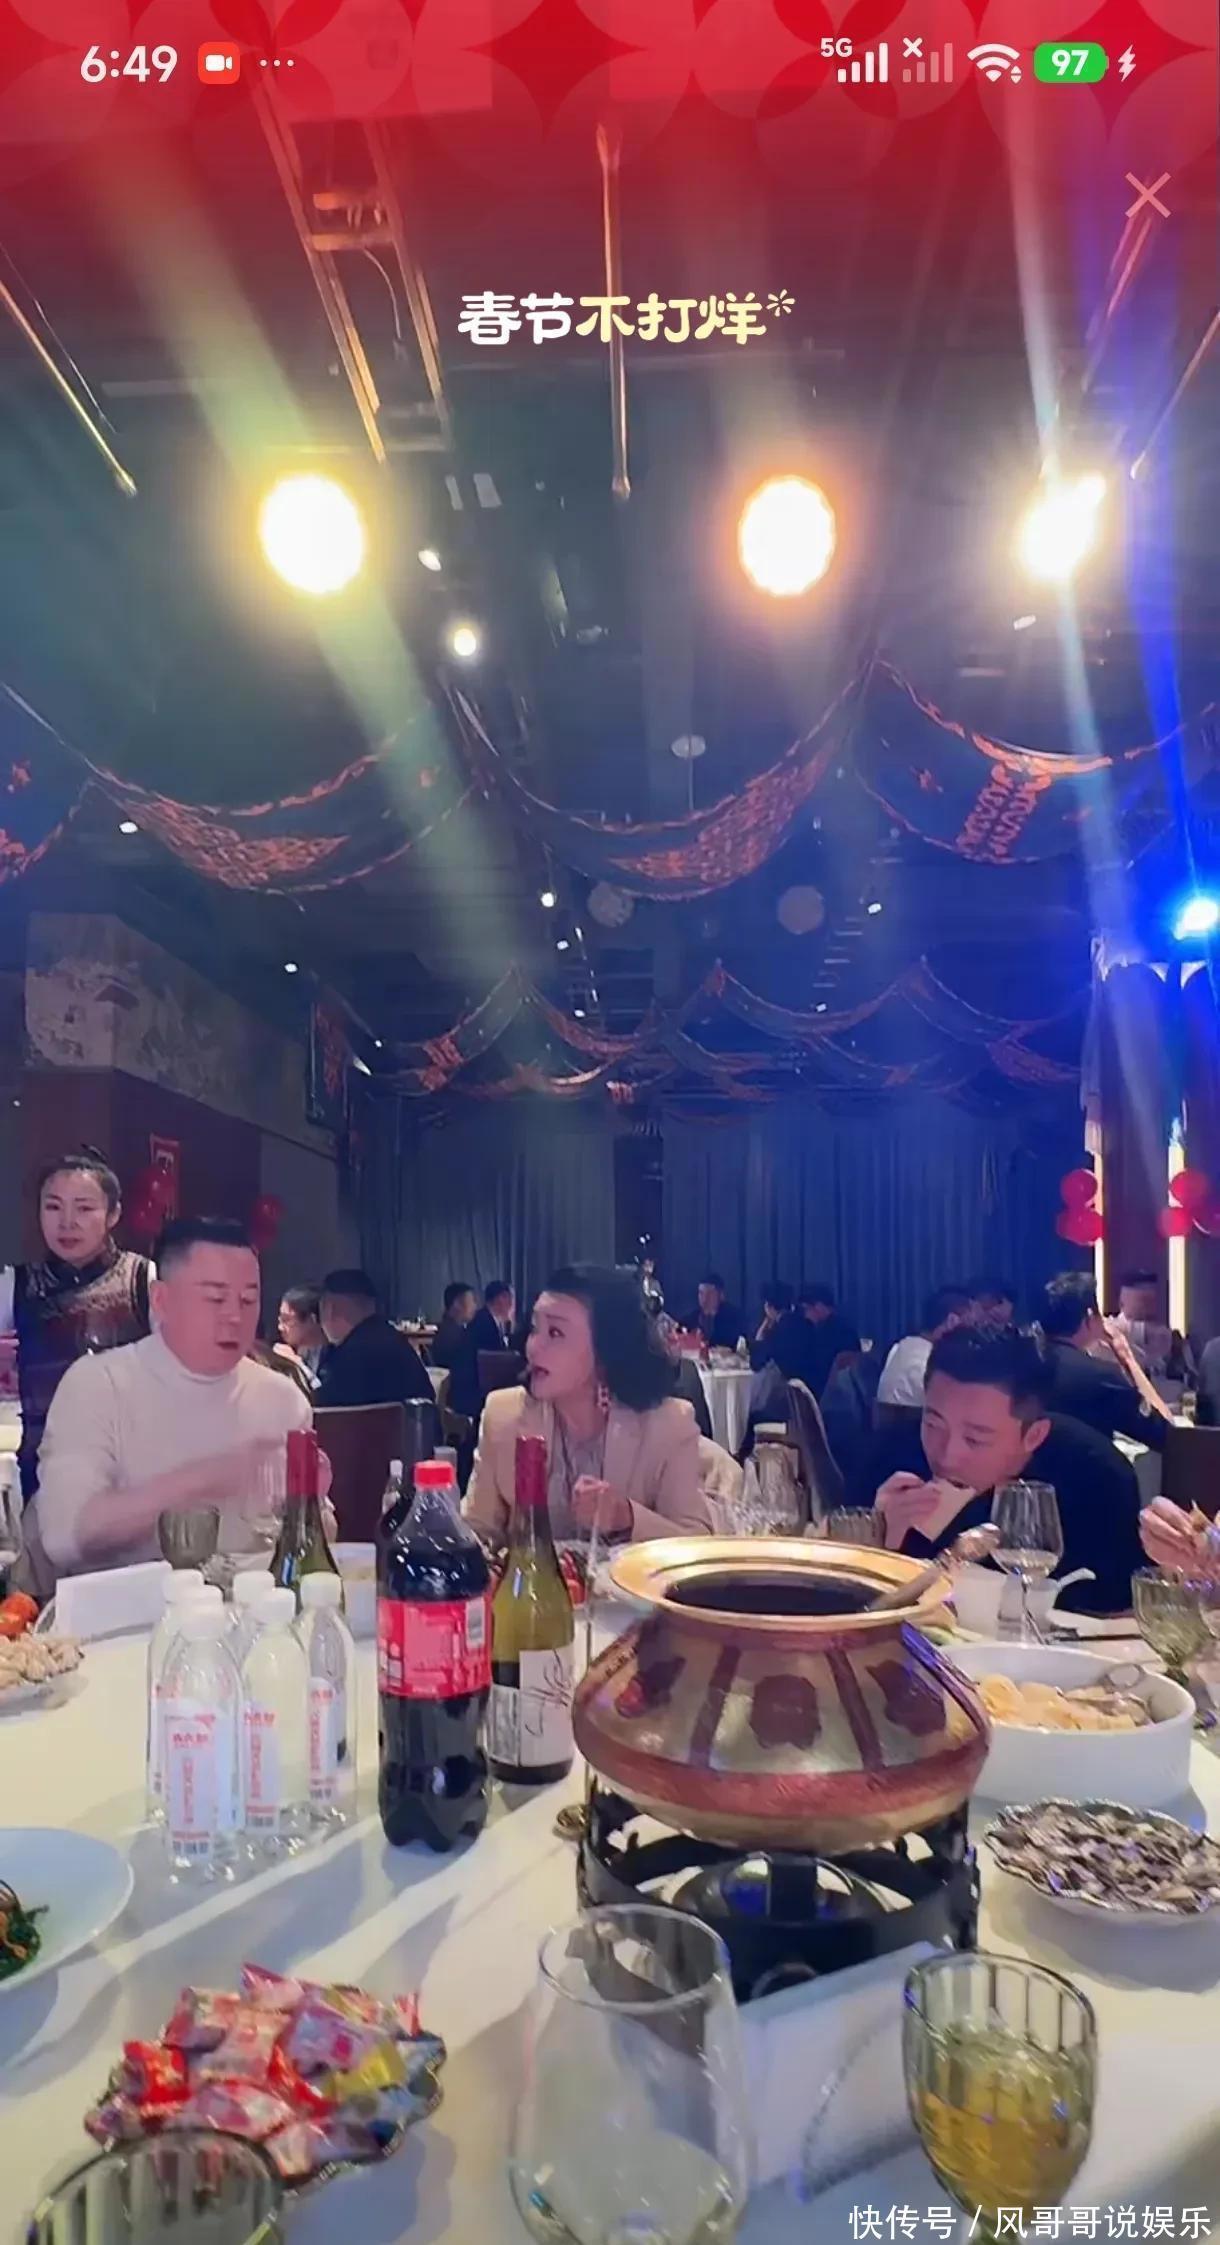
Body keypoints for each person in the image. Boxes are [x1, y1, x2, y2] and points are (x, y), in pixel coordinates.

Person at [26, 1216, 313, 1585]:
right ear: (161, 1300)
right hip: (126, 1610)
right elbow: (65, 1538)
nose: (234, 1316)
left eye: (248, 1299)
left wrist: (309, 1501)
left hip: (254, 1607)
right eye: (215, 1298)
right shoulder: (98, 1384)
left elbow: (311, 1545)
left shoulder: (283, 1399)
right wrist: (208, 1477)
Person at [852, 1323, 1144, 1615]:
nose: (948, 1456)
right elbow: (853, 1608)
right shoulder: (895, 1456)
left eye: (975, 1439)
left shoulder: (1096, 1476)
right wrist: (881, 1542)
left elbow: (1117, 1613)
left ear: (1034, 1436)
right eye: (933, 1424)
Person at [467, 1263, 716, 1544]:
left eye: (555, 1333)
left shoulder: (667, 1424)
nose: (533, 1347)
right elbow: (476, 1532)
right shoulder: (504, 1416)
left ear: (605, 1351)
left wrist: (627, 1517)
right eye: (535, 1328)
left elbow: (697, 1544)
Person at [0, 1149, 152, 1503]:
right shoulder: (16, 1285)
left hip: (133, 1477)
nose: (67, 1222)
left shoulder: (145, 1281)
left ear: (113, 1214)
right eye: (53, 1207)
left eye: (84, 1208)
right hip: (45, 1476)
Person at [1037, 1271, 1170, 1450]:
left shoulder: (1021, 1364)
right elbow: (1165, 1433)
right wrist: (1127, 1358)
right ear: (1089, 1317)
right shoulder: (1101, 1376)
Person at [315, 1269, 433, 1410]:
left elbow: (321, 1411)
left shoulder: (349, 1355)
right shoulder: (395, 1340)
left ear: (329, 1309)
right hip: (417, 1423)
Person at [877, 1286, 969, 1408]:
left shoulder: (901, 1346)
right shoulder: (931, 1362)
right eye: (970, 1325)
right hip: (914, 1419)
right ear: (952, 1321)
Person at [772, 1282, 861, 1401]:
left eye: (807, 1309)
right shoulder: (844, 1326)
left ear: (819, 1306)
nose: (806, 1315)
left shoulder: (830, 1332)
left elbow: (816, 1367)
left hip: (826, 1395)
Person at [274, 1285, 328, 1385]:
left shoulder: (334, 1356)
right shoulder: (287, 1349)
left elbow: (323, 1392)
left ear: (311, 1320)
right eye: (280, 1319)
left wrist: (297, 1365)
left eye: (286, 1320)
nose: (280, 1327)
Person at [686, 1273, 745, 1351]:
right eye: (701, 1293)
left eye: (710, 1293)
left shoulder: (735, 1318)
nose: (705, 1298)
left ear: (721, 1295)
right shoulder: (692, 1318)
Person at [432, 1281, 477, 1372]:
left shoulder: (449, 1328)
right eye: (471, 1301)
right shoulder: (452, 1335)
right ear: (457, 1304)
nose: (475, 1306)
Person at [751, 1282, 795, 1371]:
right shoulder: (796, 1322)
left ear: (768, 1306)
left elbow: (757, 1361)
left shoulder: (779, 1329)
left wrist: (767, 1321)